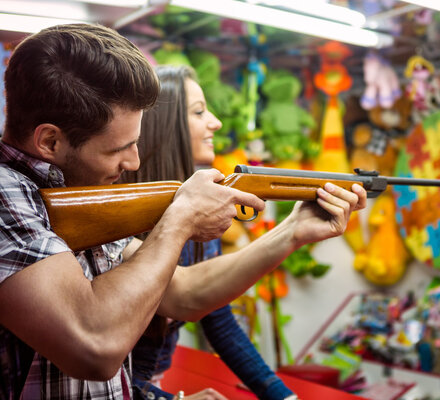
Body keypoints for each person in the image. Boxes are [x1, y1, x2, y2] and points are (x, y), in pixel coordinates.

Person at [0, 24, 366, 399]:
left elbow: (184, 293)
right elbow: (95, 346)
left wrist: (292, 231)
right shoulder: (5, 193)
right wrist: (180, 219)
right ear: (50, 140)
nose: (134, 161)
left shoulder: (74, 189)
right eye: (117, 150)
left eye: (136, 143)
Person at [121, 65, 296, 400]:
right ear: (162, 127)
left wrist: (280, 394)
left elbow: (216, 315)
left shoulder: (205, 208)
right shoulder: (118, 219)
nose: (215, 122)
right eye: (199, 112)